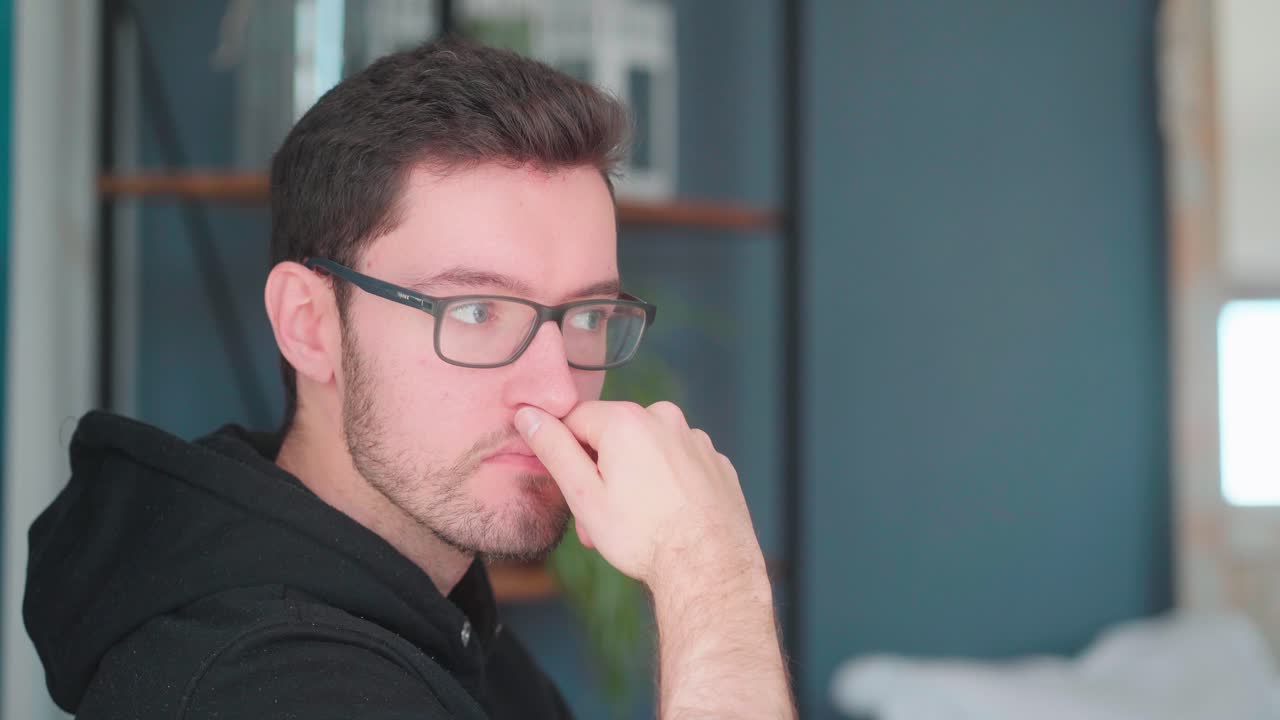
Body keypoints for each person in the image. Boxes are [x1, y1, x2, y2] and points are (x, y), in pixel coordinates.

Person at [24, 40, 794, 719]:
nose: (557, 391)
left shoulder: (434, 613)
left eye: (588, 315)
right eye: (476, 310)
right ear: (309, 323)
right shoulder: (266, 685)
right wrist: (713, 580)